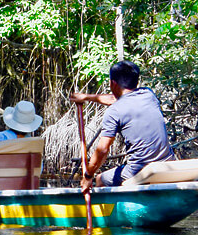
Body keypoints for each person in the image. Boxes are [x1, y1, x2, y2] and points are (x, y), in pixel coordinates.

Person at [70, 60, 175, 191]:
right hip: (167, 162)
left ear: (112, 83)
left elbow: (103, 150)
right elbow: (115, 99)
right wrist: (85, 97)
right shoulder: (148, 94)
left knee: (100, 179)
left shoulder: (114, 111)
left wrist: (88, 176)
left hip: (139, 169)